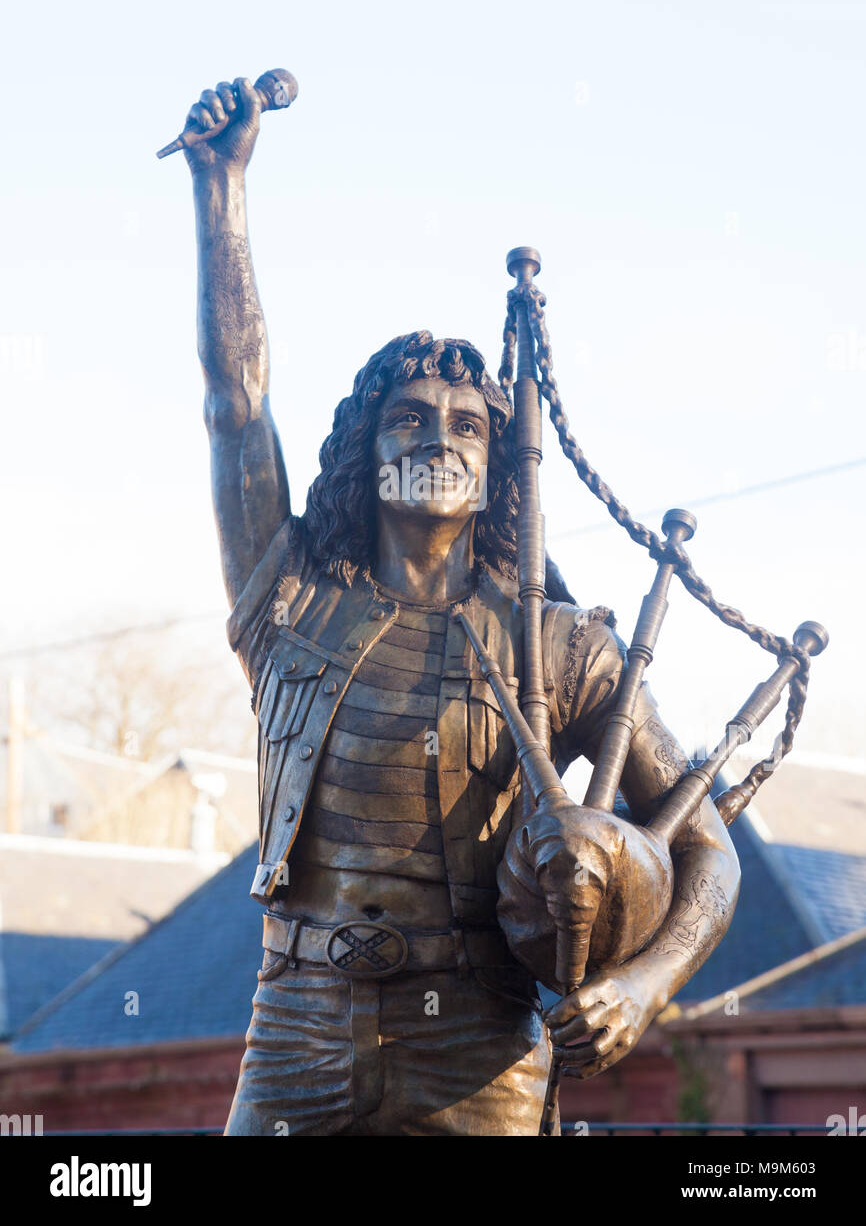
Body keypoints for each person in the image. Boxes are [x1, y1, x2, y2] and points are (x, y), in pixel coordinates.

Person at [184, 76, 740, 1136]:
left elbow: (706, 849)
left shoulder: (559, 646)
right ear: (367, 447)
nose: (436, 433)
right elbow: (234, 402)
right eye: (406, 416)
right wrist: (223, 192)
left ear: (494, 469)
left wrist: (641, 983)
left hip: (478, 1035)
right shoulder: (288, 595)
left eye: (465, 423)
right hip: (297, 1018)